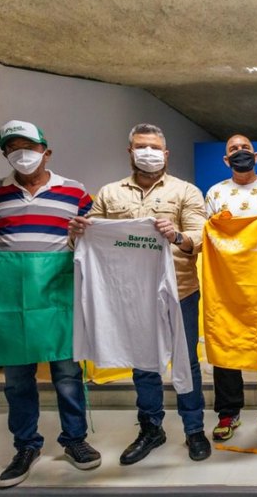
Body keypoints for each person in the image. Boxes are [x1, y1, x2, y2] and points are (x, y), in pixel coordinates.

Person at [68, 123, 210, 464]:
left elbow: (200, 235)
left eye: (154, 147)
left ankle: (194, 429)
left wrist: (175, 235)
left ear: (166, 153)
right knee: (143, 363)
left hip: (181, 290)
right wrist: (77, 232)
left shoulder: (185, 191)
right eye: (140, 146)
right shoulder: (109, 193)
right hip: (130, 294)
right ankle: (151, 429)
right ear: (130, 151)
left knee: (187, 362)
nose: (148, 152)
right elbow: (89, 238)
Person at [0, 120, 100, 488]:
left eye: (29, 146)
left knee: (68, 374)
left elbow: (93, 239)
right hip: (12, 300)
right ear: (5, 153)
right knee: (16, 380)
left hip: (58, 295)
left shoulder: (74, 191)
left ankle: (75, 440)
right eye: (13, 147)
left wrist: (81, 236)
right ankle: (25, 446)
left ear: (46, 151)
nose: (21, 154)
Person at [205, 134, 257, 441]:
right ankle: (228, 413)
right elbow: (207, 236)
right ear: (226, 160)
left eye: (244, 149)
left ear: (255, 156)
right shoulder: (216, 193)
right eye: (233, 150)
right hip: (227, 287)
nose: (239, 153)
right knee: (227, 348)